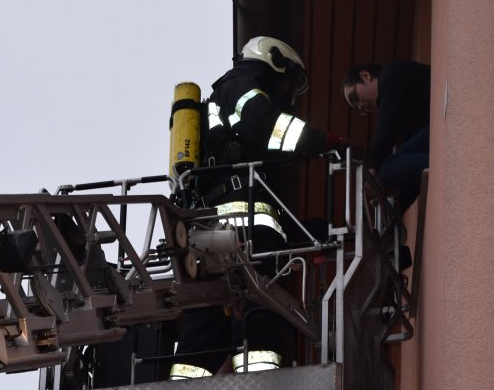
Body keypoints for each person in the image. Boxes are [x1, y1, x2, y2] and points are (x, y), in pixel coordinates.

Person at [169, 36, 342, 379]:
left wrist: (319, 230)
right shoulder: (240, 87)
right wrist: (323, 142)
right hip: (245, 230)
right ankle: (262, 380)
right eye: (290, 82)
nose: (289, 95)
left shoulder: (219, 106)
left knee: (207, 320)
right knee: (261, 308)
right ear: (274, 61)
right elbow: (267, 125)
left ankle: (183, 384)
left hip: (209, 231)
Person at [342, 61, 431, 214]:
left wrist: (373, 167)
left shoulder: (392, 74)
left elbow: (387, 123)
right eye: (357, 109)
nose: (360, 106)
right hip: (436, 132)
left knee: (387, 170)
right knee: (394, 168)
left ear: (366, 76)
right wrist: (398, 208)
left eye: (355, 97)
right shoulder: (400, 112)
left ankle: (443, 166)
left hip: (443, 126)